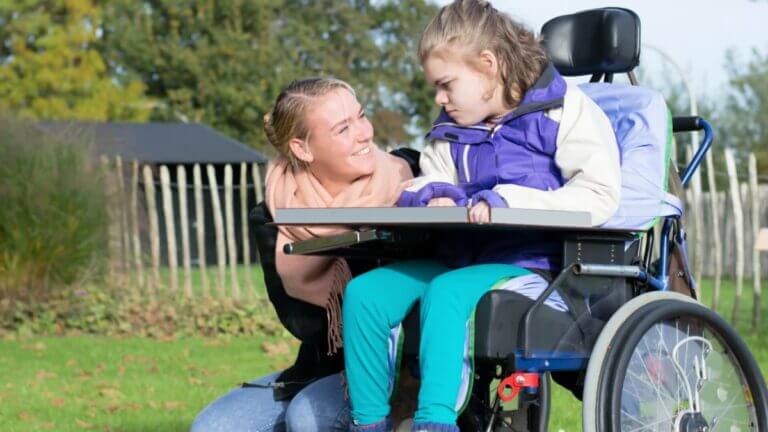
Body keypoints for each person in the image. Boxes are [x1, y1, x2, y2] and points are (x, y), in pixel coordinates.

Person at [342, 1, 622, 431]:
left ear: (488, 65)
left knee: (449, 291)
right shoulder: (452, 128)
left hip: (535, 269)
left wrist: (506, 200)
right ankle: (368, 423)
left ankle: (434, 423)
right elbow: (429, 178)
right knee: (366, 294)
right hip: (460, 258)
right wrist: (433, 195)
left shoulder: (566, 112)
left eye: (446, 84)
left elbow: (598, 196)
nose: (439, 98)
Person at [190, 77, 416, 432]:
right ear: (302, 148)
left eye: (361, 116)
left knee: (309, 419)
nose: (364, 133)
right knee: (214, 427)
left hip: (406, 367)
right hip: (326, 368)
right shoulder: (275, 214)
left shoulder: (411, 181)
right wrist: (342, 239)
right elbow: (306, 324)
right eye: (343, 128)